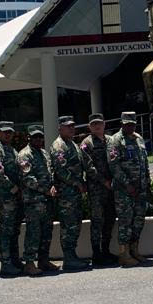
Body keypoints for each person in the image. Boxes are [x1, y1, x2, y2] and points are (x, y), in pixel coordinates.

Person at [16, 126, 59, 275]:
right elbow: (28, 179)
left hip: (47, 201)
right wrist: (45, 190)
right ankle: (29, 263)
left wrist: (52, 186)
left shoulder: (44, 153)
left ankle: (44, 260)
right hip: (34, 202)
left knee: (47, 232)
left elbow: (50, 172)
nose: (38, 139)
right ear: (29, 138)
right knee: (33, 233)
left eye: (40, 137)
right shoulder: (24, 155)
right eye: (35, 137)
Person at [108, 112, 149, 267]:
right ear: (121, 123)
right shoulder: (115, 140)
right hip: (124, 191)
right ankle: (124, 254)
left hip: (140, 189)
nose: (129, 126)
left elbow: (144, 161)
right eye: (127, 124)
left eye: (132, 124)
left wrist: (145, 182)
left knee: (138, 220)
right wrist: (127, 184)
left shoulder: (138, 138)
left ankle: (134, 250)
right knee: (125, 221)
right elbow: (114, 166)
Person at [50, 116, 90, 271]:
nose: (72, 129)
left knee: (75, 225)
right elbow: (60, 171)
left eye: (73, 126)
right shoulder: (59, 145)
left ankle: (72, 255)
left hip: (75, 194)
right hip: (67, 195)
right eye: (68, 127)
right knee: (68, 226)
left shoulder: (72, 144)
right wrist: (77, 183)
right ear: (60, 128)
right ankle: (69, 257)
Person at [81, 113, 118, 266]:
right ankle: (96, 253)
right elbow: (89, 168)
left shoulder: (111, 141)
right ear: (90, 127)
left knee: (109, 219)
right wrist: (104, 182)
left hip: (111, 188)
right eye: (94, 124)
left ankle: (106, 250)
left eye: (99, 123)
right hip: (97, 189)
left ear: (104, 125)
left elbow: (116, 161)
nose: (97, 126)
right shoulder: (86, 143)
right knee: (97, 221)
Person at [0, 121, 24, 277]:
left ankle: (15, 260)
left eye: (10, 132)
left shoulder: (11, 149)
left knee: (14, 230)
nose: (8, 134)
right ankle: (6, 263)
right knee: (6, 230)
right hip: (6, 197)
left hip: (15, 197)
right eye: (5, 132)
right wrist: (14, 188)